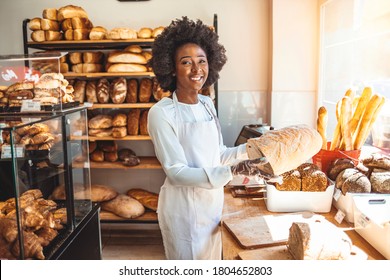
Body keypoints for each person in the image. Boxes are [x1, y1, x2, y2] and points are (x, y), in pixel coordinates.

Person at [147, 16, 268, 260]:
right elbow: (176, 172)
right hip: (183, 212)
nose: (197, 69)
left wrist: (253, 148)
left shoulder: (206, 103)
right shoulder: (161, 113)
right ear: (171, 67)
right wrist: (232, 172)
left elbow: (218, 153)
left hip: (212, 205)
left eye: (202, 61)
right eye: (186, 62)